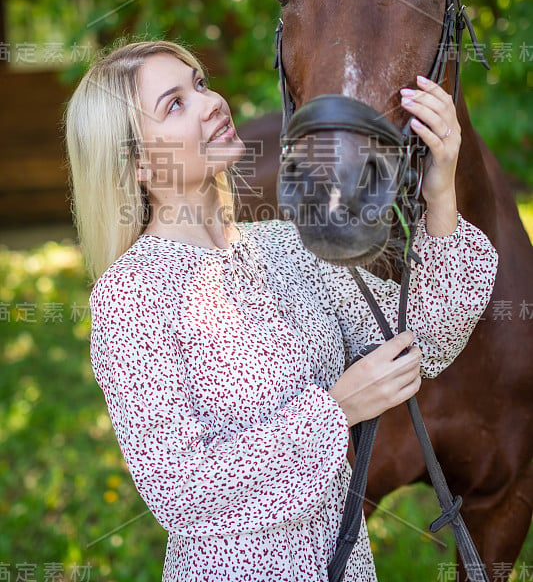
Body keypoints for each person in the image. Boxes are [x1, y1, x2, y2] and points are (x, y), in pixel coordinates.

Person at [65, 40, 498, 582]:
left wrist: (441, 192)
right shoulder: (131, 297)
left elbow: (423, 338)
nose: (211, 102)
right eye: (174, 103)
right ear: (136, 167)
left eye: (200, 84)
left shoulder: (288, 247)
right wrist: (335, 412)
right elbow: (182, 490)